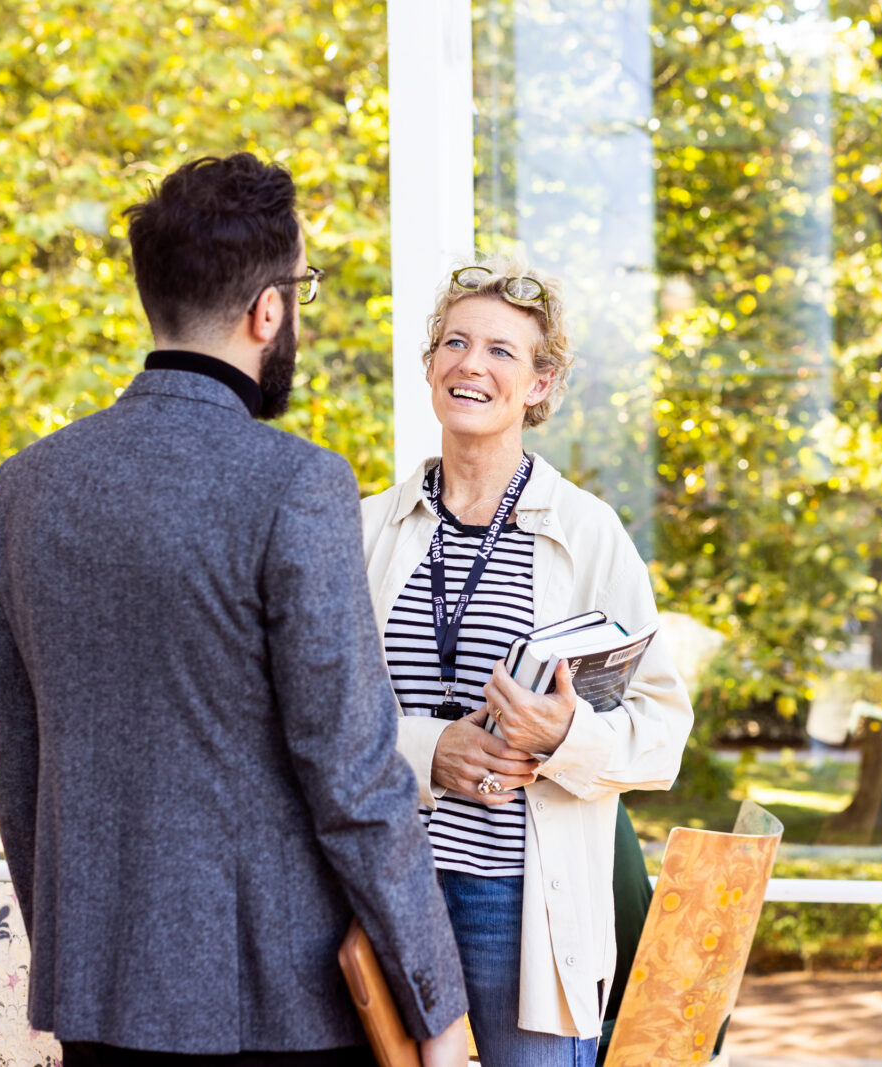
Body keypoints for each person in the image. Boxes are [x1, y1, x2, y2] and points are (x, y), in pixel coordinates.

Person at [0, 153, 468, 1067]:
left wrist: (77, 957)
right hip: (280, 1009)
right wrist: (436, 1006)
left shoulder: (24, 489)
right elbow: (354, 775)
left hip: (98, 1000)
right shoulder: (296, 484)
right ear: (269, 310)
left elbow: (18, 758)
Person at [358, 255, 695, 1066]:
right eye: (455, 343)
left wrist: (563, 731)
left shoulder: (589, 533)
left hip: (520, 908)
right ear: (432, 364)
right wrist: (429, 749)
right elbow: (314, 713)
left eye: (503, 352)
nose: (471, 363)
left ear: (541, 384)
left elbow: (662, 732)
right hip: (386, 893)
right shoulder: (365, 527)